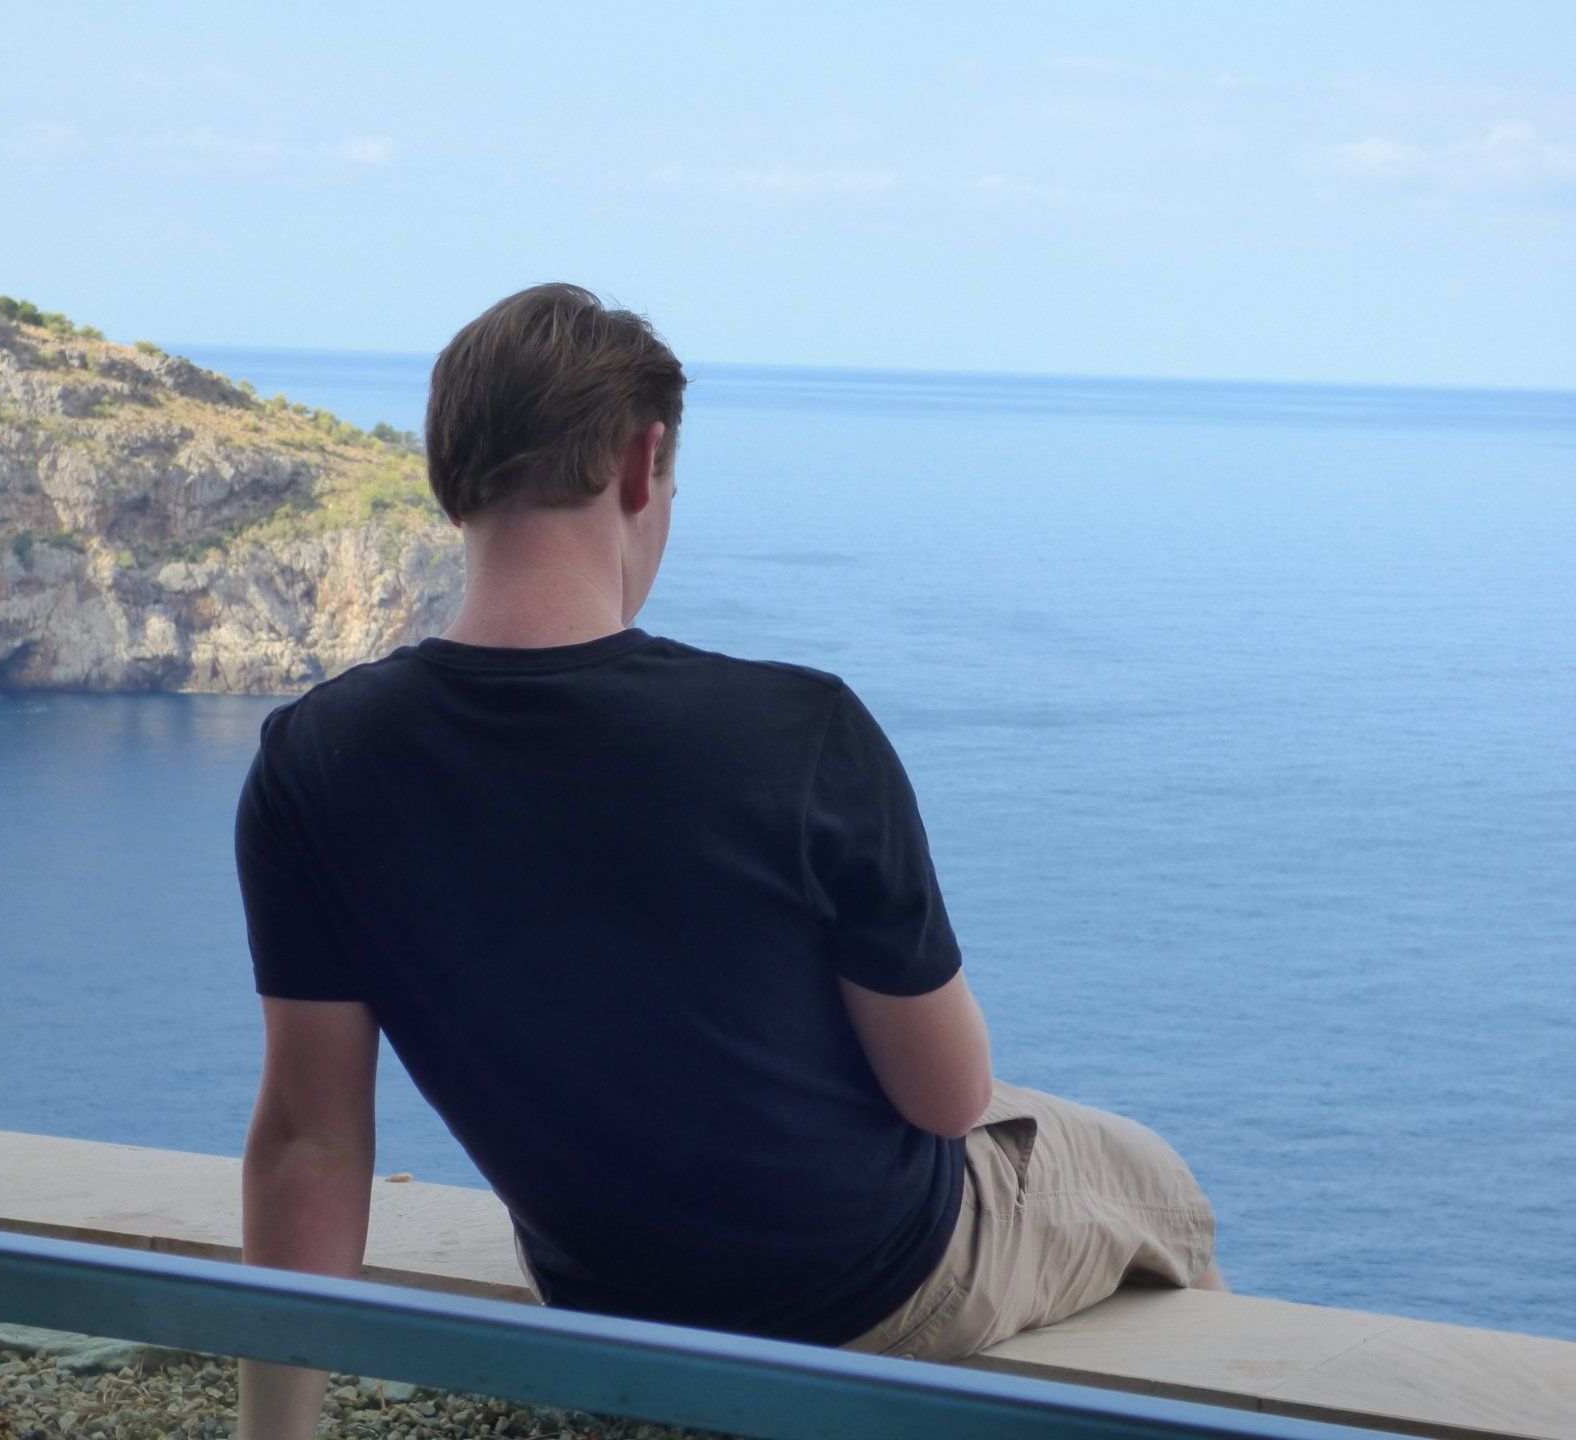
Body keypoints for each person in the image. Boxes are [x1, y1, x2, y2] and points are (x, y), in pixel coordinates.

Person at [233, 282, 1223, 1439]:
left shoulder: (316, 759)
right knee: (1153, 1182)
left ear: (450, 472)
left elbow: (309, 1134)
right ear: (643, 464)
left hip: (606, 1291)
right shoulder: (799, 732)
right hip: (867, 1293)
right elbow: (947, 1099)